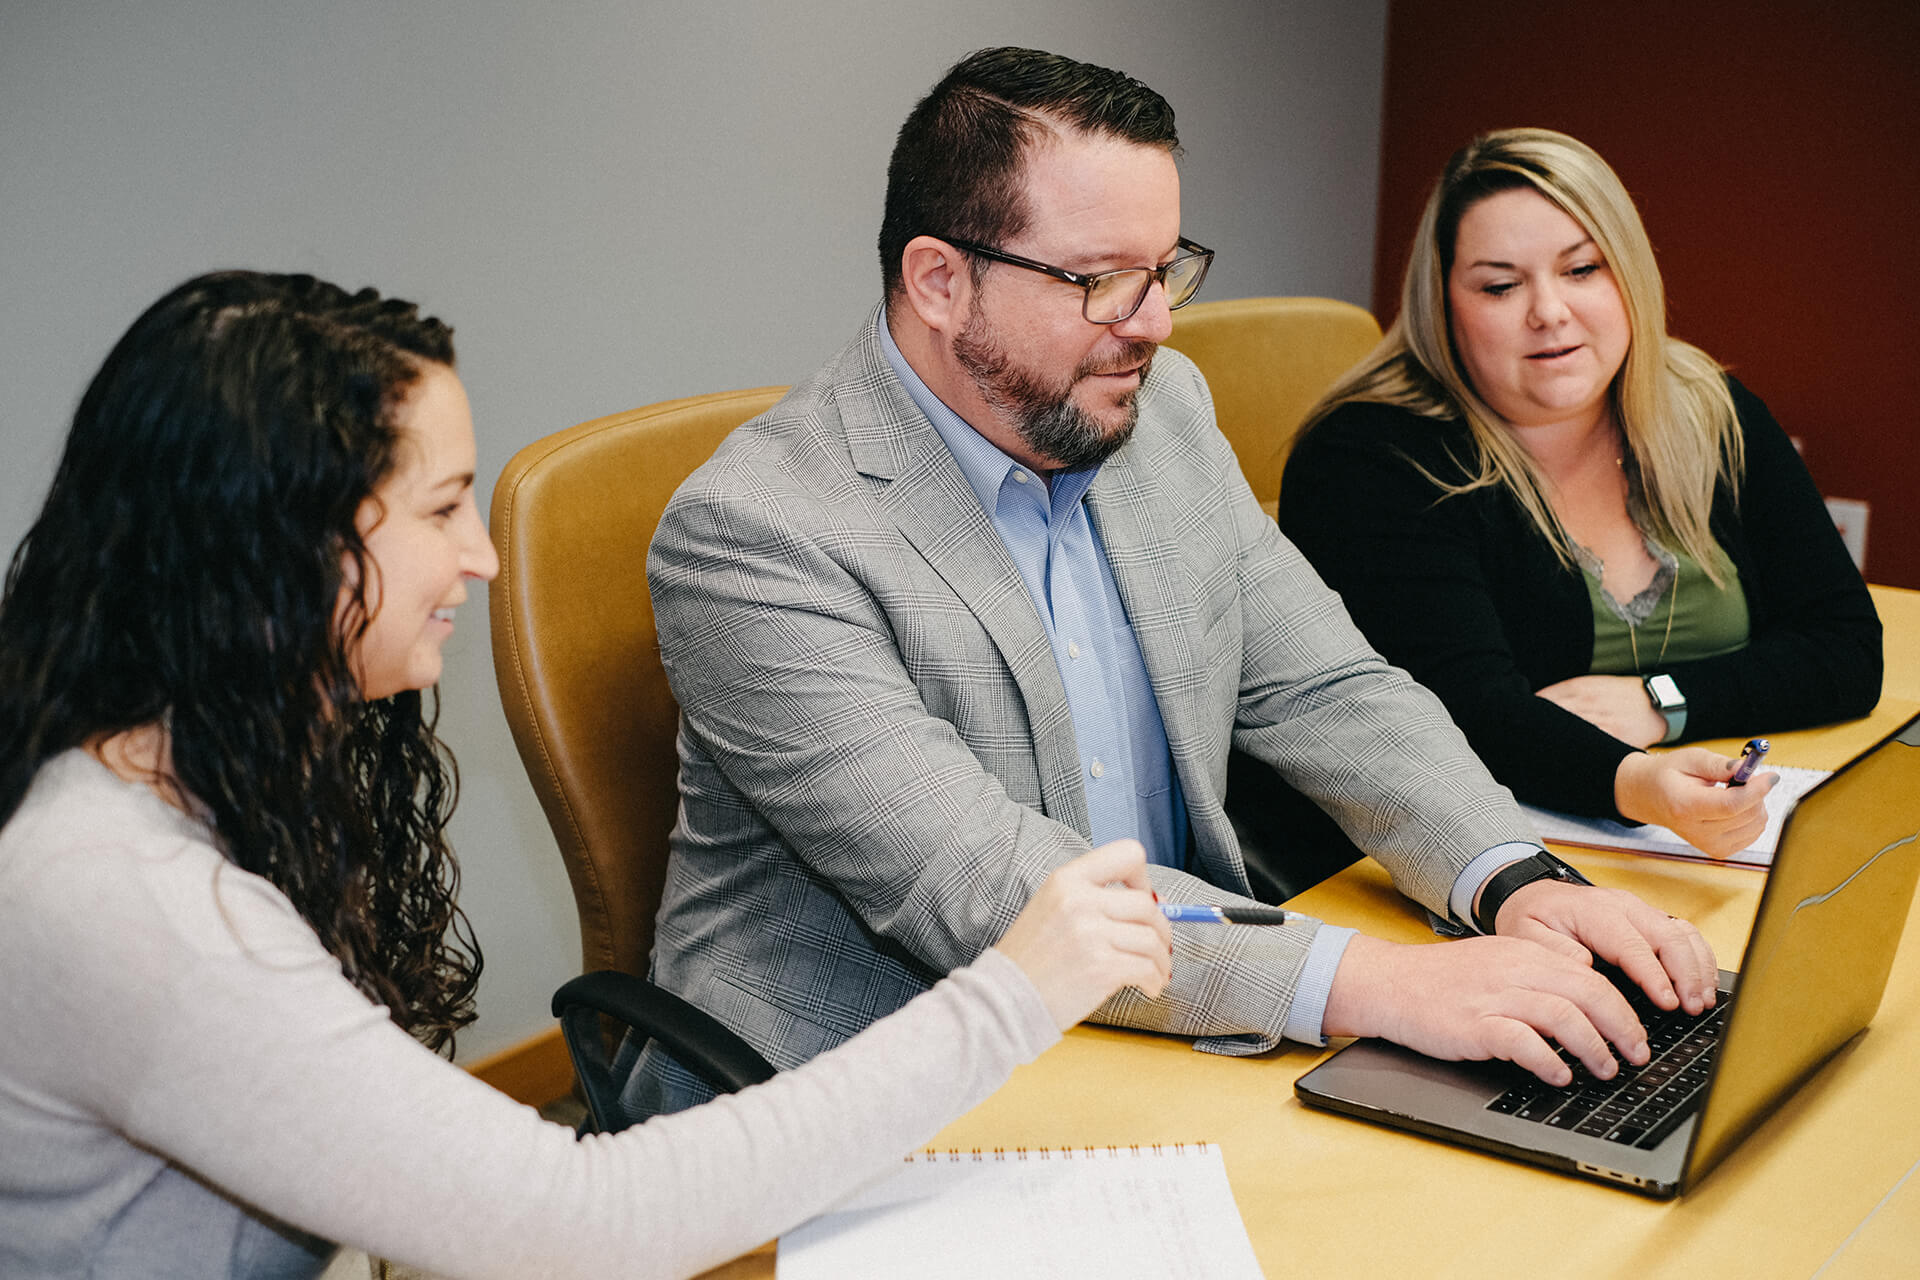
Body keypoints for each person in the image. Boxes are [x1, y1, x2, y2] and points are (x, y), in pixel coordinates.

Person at [0, 269, 1176, 1280]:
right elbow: (582, 1219)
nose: (484, 556)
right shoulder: (133, 902)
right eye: (445, 507)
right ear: (283, 545)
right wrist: (1010, 995)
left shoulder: (203, 771)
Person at [632, 48, 1721, 1126]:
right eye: (1102, 281)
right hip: (869, 1096)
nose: (1154, 322)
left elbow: (1326, 687)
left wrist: (1512, 880)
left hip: (1177, 1016)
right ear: (939, 280)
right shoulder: (758, 534)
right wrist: (1379, 983)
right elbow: (989, 890)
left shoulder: (1160, 411)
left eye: (1166, 271)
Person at [1280, 128, 1882, 857]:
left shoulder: (1705, 406)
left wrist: (1659, 703)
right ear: (1443, 305)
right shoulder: (1373, 457)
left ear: (1628, 273)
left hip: (1705, 843)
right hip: (1457, 856)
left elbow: (1847, 649)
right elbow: (1459, 712)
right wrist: (1639, 785)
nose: (1549, 312)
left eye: (1582, 270)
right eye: (1500, 285)